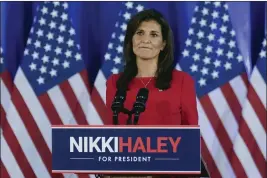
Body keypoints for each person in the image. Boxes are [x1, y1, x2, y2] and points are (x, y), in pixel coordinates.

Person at [104, 9, 199, 178]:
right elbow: (111, 132)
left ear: (163, 44)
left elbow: (190, 135)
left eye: (154, 34)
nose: (145, 40)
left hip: (169, 172)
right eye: (139, 33)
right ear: (131, 40)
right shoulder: (115, 82)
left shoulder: (182, 81)